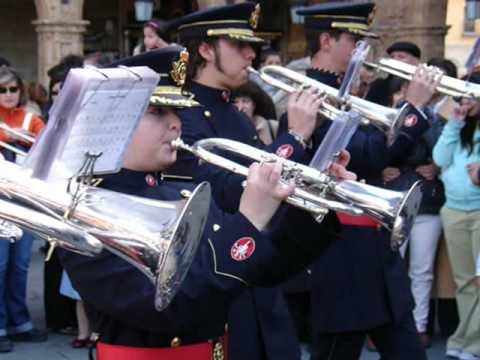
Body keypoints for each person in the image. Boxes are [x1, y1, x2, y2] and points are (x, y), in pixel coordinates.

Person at [58, 46, 348, 360]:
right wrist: (249, 218)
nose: (176, 124)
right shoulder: (86, 214)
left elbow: (264, 270)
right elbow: (174, 308)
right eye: (157, 112)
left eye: (175, 112)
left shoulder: (180, 191)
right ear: (113, 121)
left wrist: (312, 206)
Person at [276, 3, 440, 359]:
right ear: (325, 41)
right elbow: (368, 155)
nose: (363, 50)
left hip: (376, 248)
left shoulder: (349, 95)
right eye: (354, 40)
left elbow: (384, 156)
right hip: (338, 255)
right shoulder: (309, 98)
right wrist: (412, 108)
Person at [167, 4, 329, 359]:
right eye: (239, 45)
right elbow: (223, 190)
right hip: (221, 279)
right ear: (207, 50)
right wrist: (294, 140)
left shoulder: (234, 114)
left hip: (260, 281)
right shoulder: (181, 115)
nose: (251, 54)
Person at [433, 72, 480, 360]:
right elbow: (439, 159)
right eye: (464, 95)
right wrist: (455, 122)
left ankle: (468, 342)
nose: (468, 101)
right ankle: (468, 341)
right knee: (464, 281)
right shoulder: (457, 125)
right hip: (453, 210)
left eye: (473, 95)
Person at [0, 66, 47, 352]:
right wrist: (10, 137)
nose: (8, 95)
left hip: (24, 199)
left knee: (19, 265)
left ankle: (20, 323)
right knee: (0, 265)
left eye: (12, 89)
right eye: (2, 90)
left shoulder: (31, 117)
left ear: (21, 90)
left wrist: (22, 137)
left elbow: (47, 143)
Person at [366, 41, 422, 106]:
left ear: (415, 61)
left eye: (401, 57)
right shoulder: (378, 85)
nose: (395, 60)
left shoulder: (420, 88)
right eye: (392, 57)